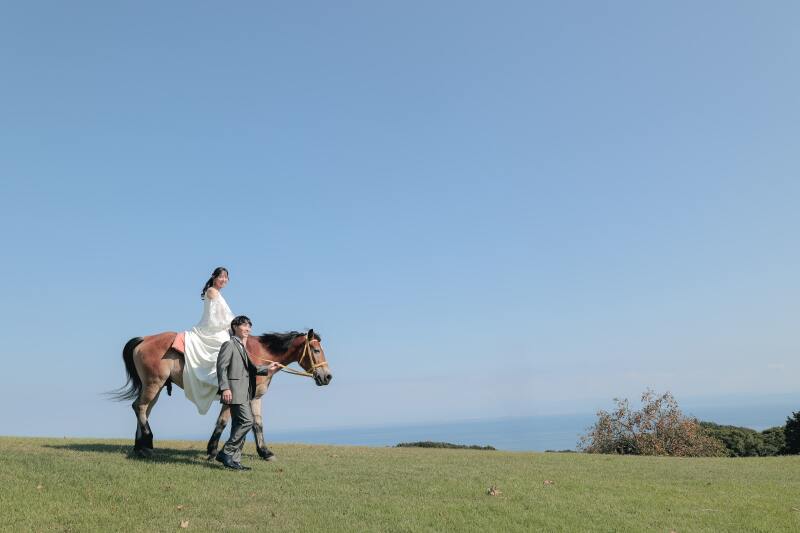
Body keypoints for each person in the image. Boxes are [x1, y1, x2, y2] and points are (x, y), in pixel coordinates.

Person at [215, 315, 280, 470]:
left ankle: (234, 461)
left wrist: (268, 369)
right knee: (248, 421)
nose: (248, 329)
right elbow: (221, 368)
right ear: (235, 326)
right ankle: (226, 452)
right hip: (235, 391)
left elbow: (251, 368)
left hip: (245, 391)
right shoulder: (229, 345)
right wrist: (225, 388)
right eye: (245, 326)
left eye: (249, 326)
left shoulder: (242, 346)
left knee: (238, 424)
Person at [182, 267, 236, 414]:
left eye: (226, 277)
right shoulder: (212, 291)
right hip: (213, 330)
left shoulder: (218, 293)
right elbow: (214, 318)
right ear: (214, 277)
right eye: (221, 277)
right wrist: (232, 325)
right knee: (225, 348)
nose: (224, 280)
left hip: (221, 328)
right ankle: (220, 384)